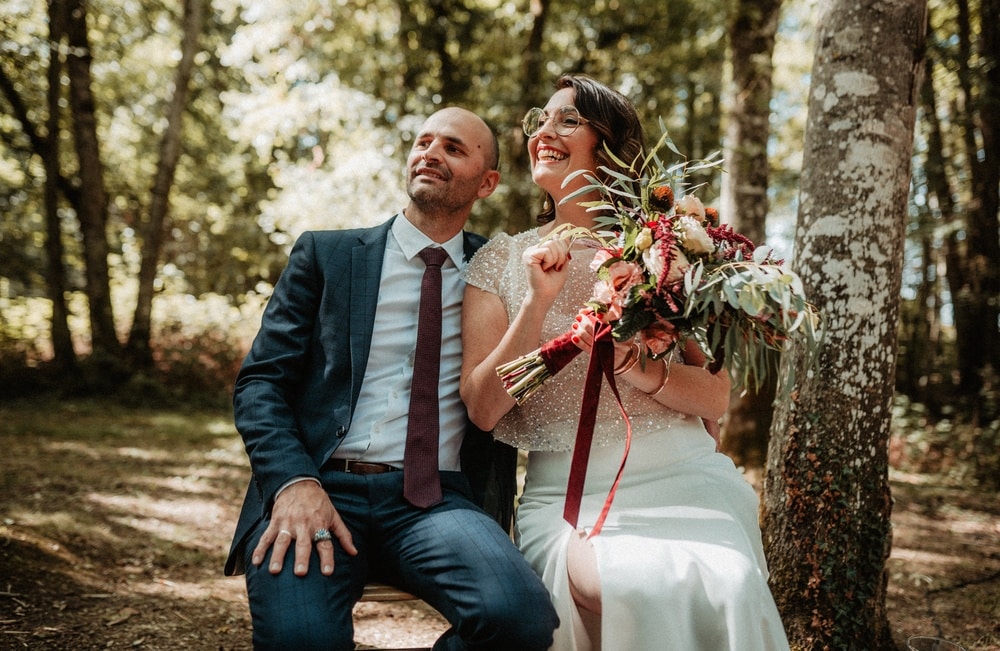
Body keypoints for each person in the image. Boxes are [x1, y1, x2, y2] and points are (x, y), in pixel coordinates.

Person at [460, 75, 790, 650]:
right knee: (624, 584)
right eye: (542, 118)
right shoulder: (500, 259)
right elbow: (484, 408)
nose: (544, 130)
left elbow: (716, 397)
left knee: (731, 584)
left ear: (609, 146)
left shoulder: (668, 250)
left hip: (685, 473)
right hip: (571, 492)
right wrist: (538, 302)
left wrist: (635, 365)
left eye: (568, 120)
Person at [225, 106, 558, 651]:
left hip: (438, 498)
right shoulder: (326, 255)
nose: (431, 153)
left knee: (518, 620)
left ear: (487, 182)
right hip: (321, 486)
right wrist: (293, 482)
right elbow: (260, 384)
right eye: (424, 142)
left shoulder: (501, 268)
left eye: (454, 148)